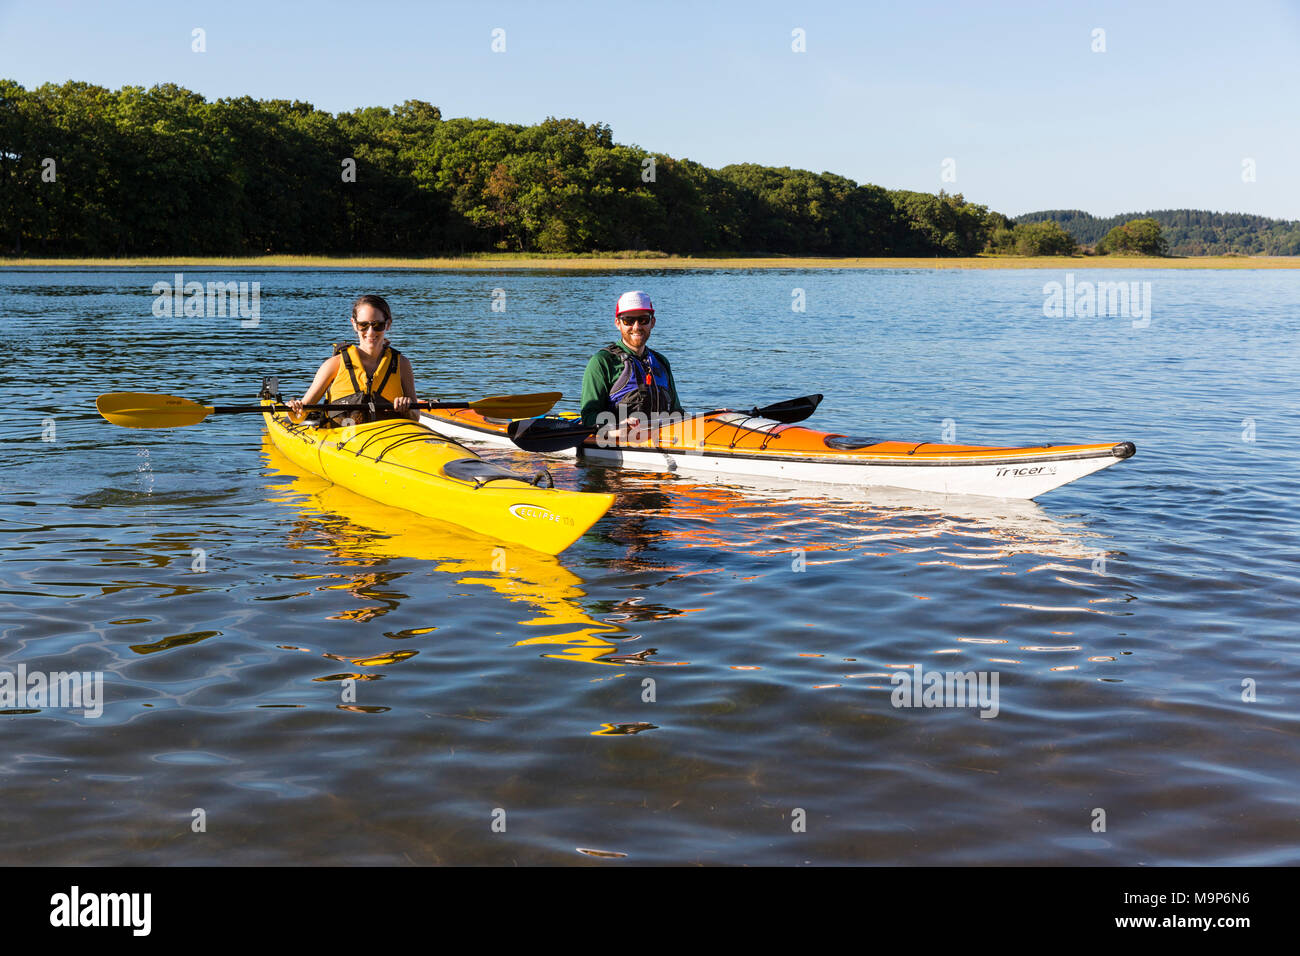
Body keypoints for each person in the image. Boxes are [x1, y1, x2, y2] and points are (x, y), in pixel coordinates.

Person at [287, 294, 418, 424]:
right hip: (343, 440)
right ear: (354, 324)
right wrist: (295, 407)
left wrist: (407, 409)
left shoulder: (402, 364)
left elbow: (415, 416)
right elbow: (302, 413)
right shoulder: (333, 365)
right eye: (363, 325)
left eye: (377, 325)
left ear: (388, 324)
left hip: (389, 437)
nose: (371, 332)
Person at [579, 291, 683, 440]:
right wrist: (616, 426)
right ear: (618, 323)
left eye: (643, 320)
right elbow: (589, 416)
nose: (636, 327)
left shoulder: (661, 361)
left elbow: (677, 412)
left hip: (662, 438)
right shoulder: (601, 362)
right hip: (616, 442)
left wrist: (716, 418)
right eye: (628, 320)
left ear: (652, 322)